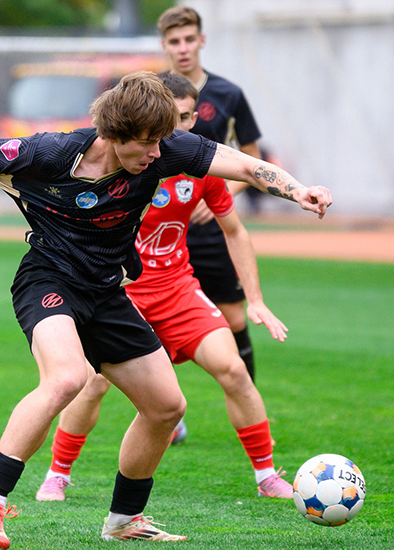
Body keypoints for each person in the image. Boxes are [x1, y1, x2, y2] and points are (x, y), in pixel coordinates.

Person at [0, 71, 331, 547]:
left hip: (105, 291)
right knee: (66, 378)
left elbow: (244, 165)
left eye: (161, 143)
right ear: (115, 134)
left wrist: (299, 190)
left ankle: (124, 519)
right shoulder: (51, 152)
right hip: (48, 280)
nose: (158, 154)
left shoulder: (165, 147)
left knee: (167, 407)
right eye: (147, 144)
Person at [33, 72, 295, 505]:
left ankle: (266, 475)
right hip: (123, 293)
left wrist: (256, 300)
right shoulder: (121, 164)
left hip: (178, 290)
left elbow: (236, 230)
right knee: (91, 383)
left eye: (189, 117)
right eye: (176, 118)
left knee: (233, 369)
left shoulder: (200, 166)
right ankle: (57, 474)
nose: (184, 127)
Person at [158, 6, 264, 393]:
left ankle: (247, 396)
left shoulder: (228, 94)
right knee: (151, 325)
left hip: (210, 225)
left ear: (202, 40)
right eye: (175, 41)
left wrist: (220, 195)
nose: (183, 48)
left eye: (190, 39)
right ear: (164, 45)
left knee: (233, 319)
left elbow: (252, 159)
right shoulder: (149, 93)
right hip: (159, 226)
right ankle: (164, 411)